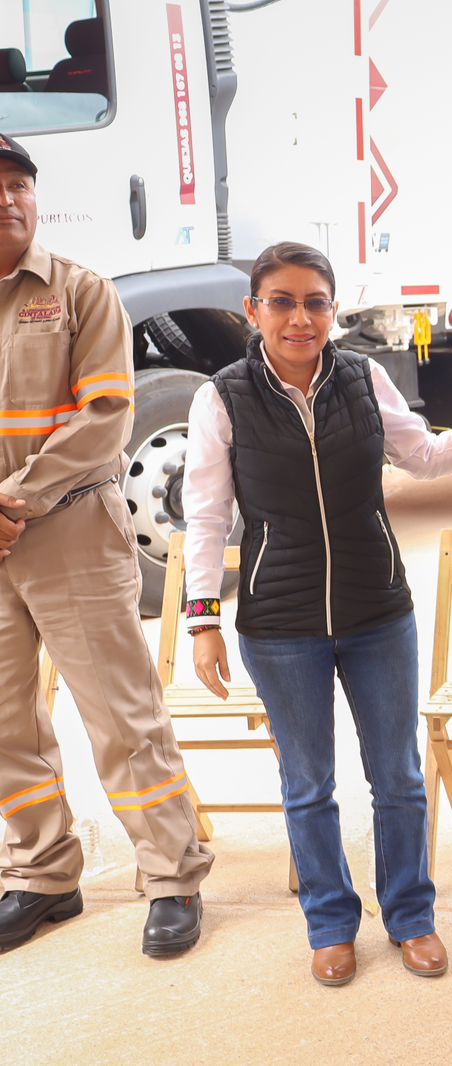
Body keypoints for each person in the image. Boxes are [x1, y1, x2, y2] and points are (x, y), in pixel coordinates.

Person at [182, 242, 452, 986]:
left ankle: (411, 916)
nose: (300, 318)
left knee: (399, 777)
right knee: (308, 785)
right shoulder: (221, 397)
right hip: (280, 627)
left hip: (378, 611)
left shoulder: (365, 377)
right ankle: (331, 923)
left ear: (333, 310)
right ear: (253, 310)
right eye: (281, 302)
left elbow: (424, 456)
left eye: (315, 302)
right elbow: (207, 517)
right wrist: (203, 621)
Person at [0, 132, 213, 956]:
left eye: (20, 184)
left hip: (71, 532)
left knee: (121, 717)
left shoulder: (79, 293)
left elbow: (106, 417)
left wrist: (15, 499)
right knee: (6, 724)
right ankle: (42, 875)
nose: (9, 199)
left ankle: (172, 876)